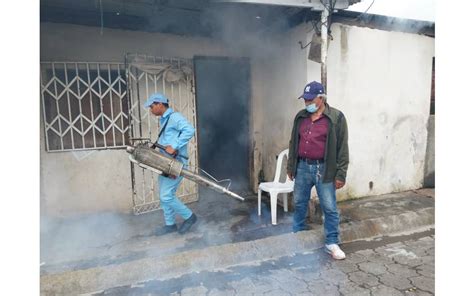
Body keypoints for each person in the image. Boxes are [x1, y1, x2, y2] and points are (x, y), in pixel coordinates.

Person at [287, 81, 349, 260]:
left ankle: (331, 242)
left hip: (325, 168)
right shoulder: (300, 117)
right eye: (305, 100)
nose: (307, 103)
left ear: (321, 98)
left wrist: (341, 174)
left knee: (329, 207)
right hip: (303, 166)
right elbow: (293, 143)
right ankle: (298, 233)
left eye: (310, 99)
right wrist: (291, 166)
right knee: (299, 202)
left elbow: (342, 148)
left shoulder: (336, 118)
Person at [143, 93, 197, 235]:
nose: (151, 110)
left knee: (166, 195)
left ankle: (190, 217)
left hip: (176, 163)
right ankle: (170, 224)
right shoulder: (165, 120)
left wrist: (174, 145)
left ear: (160, 104)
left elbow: (190, 130)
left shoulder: (174, 118)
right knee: (164, 194)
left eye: (152, 106)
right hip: (166, 163)